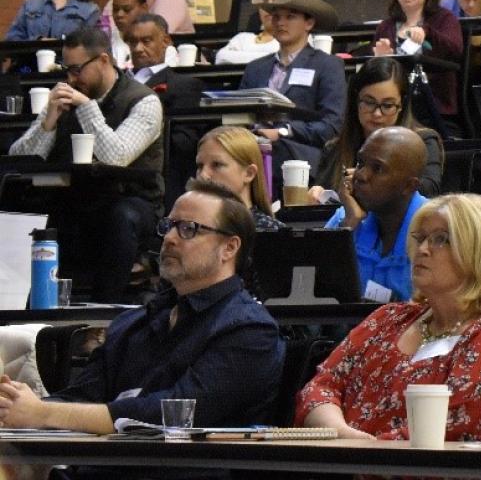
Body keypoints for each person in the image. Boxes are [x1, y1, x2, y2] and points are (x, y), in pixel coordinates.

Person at [0, 180, 285, 434]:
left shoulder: (249, 330)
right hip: (101, 467)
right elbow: (83, 397)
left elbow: (175, 414)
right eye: (168, 226)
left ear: (229, 248)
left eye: (188, 229)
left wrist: (43, 412)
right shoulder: (133, 323)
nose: (170, 238)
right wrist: (15, 405)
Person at [295, 193, 481, 441]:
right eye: (421, 238)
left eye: (441, 239)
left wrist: (366, 452)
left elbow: (455, 429)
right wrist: (343, 435)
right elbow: (321, 386)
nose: (423, 249)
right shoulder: (387, 318)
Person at [9, 27, 164, 302]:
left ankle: (103, 311)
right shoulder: (65, 95)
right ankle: (21, 304)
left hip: (129, 199)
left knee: (121, 216)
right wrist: (48, 123)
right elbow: (19, 159)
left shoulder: (144, 101)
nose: (71, 77)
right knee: (16, 201)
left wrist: (86, 107)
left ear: (103, 60)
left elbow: (116, 157)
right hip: (74, 197)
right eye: (66, 69)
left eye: (77, 69)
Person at [238, 0, 344, 197]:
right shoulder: (256, 68)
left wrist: (282, 132)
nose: (281, 22)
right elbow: (239, 115)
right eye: (276, 16)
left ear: (309, 23)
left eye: (290, 16)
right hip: (253, 150)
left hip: (300, 155)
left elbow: (332, 125)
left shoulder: (327, 65)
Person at [312, 57, 443, 196]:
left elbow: (429, 191)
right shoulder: (335, 148)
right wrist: (316, 194)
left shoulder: (424, 141)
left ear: (402, 106)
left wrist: (373, 181)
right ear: (356, 100)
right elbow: (321, 191)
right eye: (369, 102)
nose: (377, 113)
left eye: (387, 105)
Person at [324, 127, 428, 303]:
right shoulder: (345, 216)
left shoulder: (436, 228)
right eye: (360, 163)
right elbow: (318, 294)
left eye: (378, 169)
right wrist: (349, 226)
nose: (361, 176)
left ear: (409, 186)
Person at [372, 0, 464, 130]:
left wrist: (428, 34)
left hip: (434, 107)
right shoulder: (386, 26)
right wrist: (381, 60)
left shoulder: (444, 19)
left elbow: (455, 51)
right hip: (394, 109)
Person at [125, 13, 204, 209]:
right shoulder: (117, 82)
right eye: (133, 42)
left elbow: (184, 142)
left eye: (146, 41)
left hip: (157, 176)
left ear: (166, 41)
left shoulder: (182, 84)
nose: (138, 48)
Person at [196, 126, 285, 232]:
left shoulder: (272, 232)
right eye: (200, 166)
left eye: (217, 165)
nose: (203, 175)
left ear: (249, 173)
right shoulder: (182, 224)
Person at [215, 0, 283, 65]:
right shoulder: (243, 38)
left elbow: (286, 58)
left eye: (275, 1)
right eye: (264, 1)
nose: (267, 7)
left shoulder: (290, 40)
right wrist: (268, 58)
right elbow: (221, 57)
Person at [109, 0, 148, 68]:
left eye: (127, 9)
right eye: (115, 9)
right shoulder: (105, 42)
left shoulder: (159, 47)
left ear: (144, 9)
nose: (119, 14)